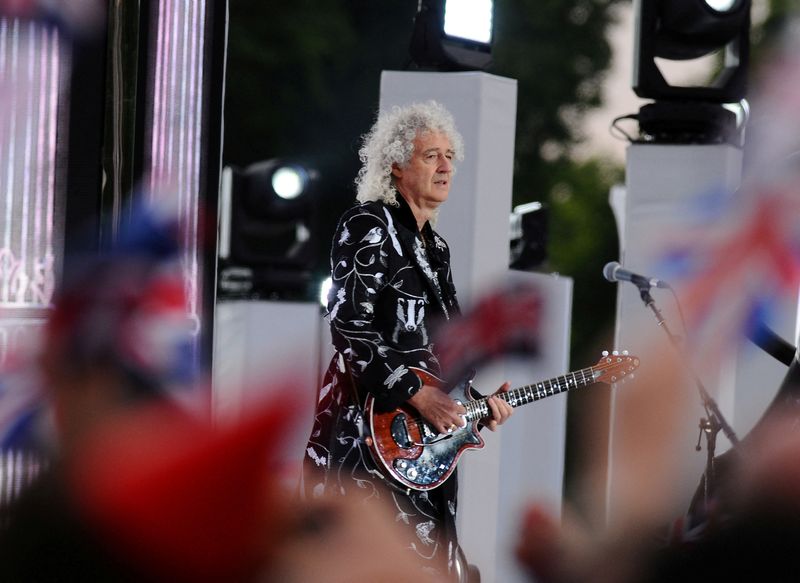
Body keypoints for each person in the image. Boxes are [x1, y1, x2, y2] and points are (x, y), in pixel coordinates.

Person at [303, 100, 513, 580]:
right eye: (430, 156)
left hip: (424, 451)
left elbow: (441, 356)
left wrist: (474, 403)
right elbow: (348, 325)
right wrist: (420, 395)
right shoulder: (368, 226)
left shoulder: (434, 248)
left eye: (449, 156)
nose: (445, 167)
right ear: (396, 165)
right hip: (368, 437)